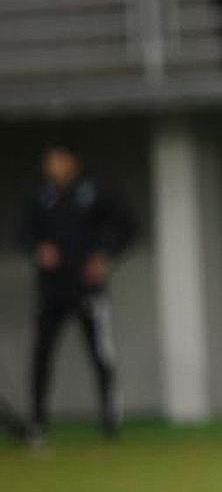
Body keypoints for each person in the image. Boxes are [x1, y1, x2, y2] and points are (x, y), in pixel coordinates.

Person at [16, 147, 137, 444]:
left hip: (87, 288)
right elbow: (22, 233)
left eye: (60, 160)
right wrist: (38, 251)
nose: (53, 166)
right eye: (50, 161)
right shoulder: (41, 197)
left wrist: (105, 256)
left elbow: (128, 225)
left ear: (73, 162)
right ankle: (38, 422)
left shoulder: (94, 193)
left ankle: (110, 419)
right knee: (42, 355)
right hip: (51, 290)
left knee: (100, 353)